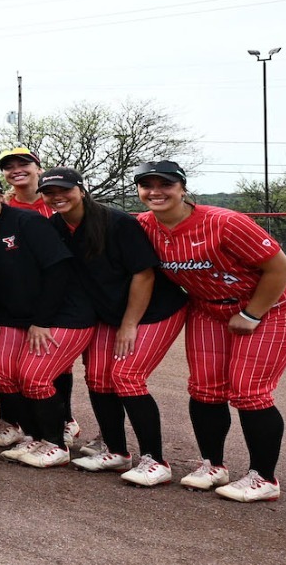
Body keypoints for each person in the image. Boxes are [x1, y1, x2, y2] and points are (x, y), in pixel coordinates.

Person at [134, 160, 286, 502]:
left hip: (269, 306)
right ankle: (213, 465)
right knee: (205, 389)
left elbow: (280, 268)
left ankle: (263, 477)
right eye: (147, 185)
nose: (155, 192)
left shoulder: (224, 222)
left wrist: (252, 314)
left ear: (182, 188)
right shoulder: (144, 225)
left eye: (165, 184)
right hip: (208, 308)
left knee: (249, 390)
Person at [41, 167, 186, 484]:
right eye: (49, 192)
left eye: (64, 190)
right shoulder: (56, 225)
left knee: (127, 376)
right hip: (109, 312)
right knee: (98, 377)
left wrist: (129, 324)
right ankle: (117, 451)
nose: (57, 197)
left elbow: (143, 274)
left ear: (81, 190)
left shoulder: (116, 222)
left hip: (153, 309)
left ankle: (155, 461)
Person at [0, 173, 93, 468]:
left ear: (0, 195)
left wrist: (43, 321)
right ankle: (34, 436)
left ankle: (56, 444)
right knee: (1, 372)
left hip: (62, 313)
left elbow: (58, 270)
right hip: (12, 316)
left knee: (34, 377)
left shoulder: (27, 221)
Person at [0, 147, 50, 214]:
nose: (17, 171)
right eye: (8, 167)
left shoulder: (56, 201)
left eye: (24, 164)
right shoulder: (1, 209)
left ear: (39, 169)